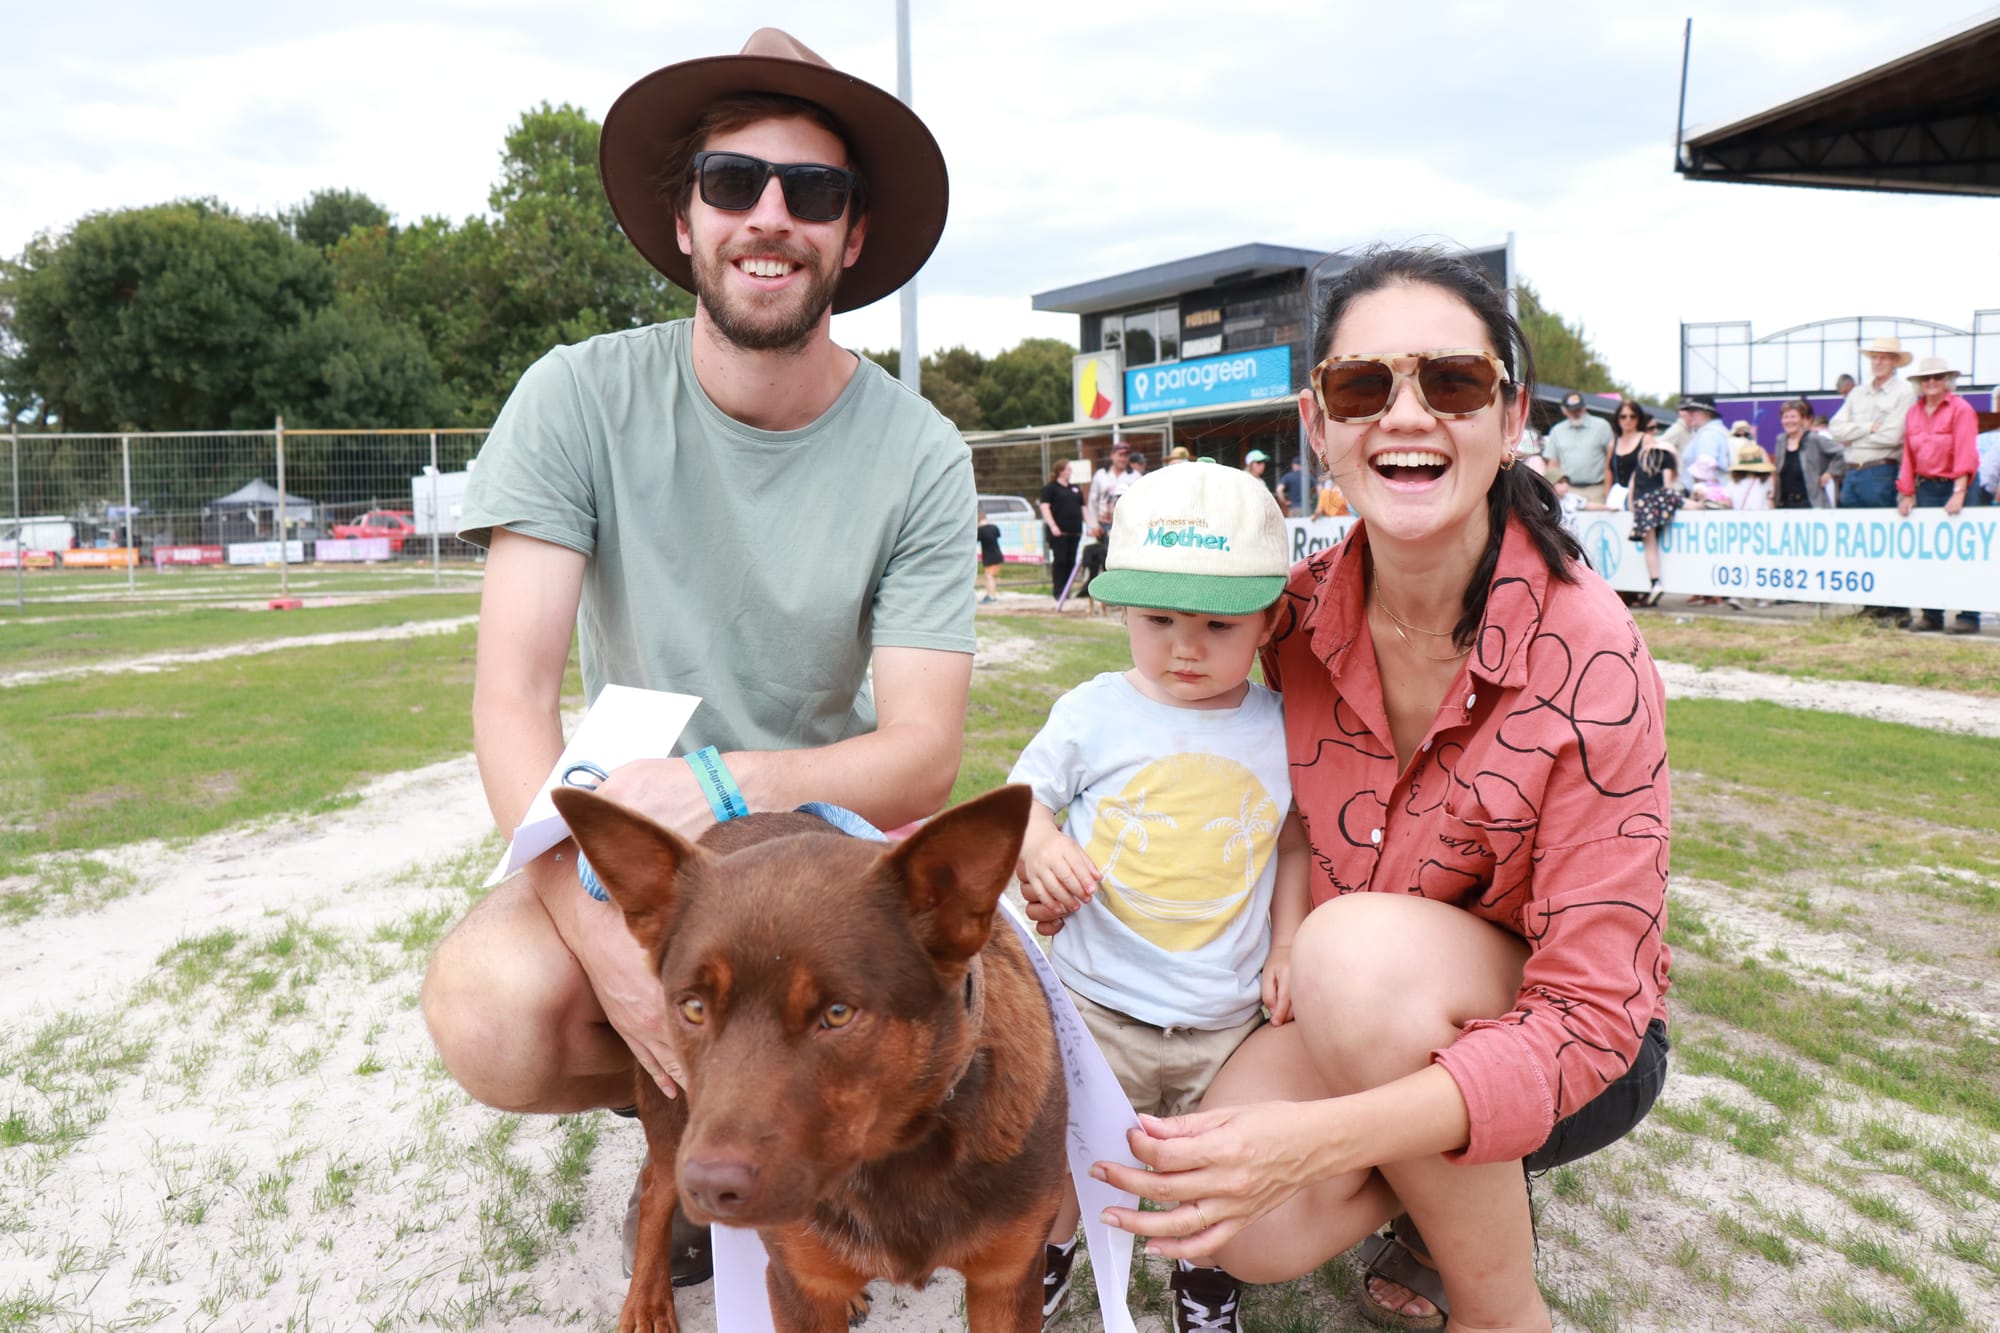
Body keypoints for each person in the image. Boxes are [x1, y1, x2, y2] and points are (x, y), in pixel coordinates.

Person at [422, 27, 974, 1288]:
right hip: (632, 846)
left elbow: (920, 751)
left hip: (806, 833)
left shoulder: (918, 453)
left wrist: (731, 786)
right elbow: (510, 695)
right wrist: (595, 926)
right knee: (489, 1008)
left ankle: (804, 1134)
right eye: (731, 182)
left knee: (887, 1000)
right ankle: (678, 1133)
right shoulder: (577, 396)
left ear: (853, 235)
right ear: (684, 219)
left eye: (812, 192)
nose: (767, 217)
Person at [1081, 249, 1671, 1333]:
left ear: (1509, 414)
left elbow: (1592, 1012)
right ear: (1319, 422)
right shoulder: (1288, 618)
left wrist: (1322, 1137)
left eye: (1449, 382)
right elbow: (1200, 759)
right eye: (1363, 387)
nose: (1405, 415)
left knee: (1348, 957)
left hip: (1572, 1047)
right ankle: (1445, 1194)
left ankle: (1503, 1308)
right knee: (1226, 1214)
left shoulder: (1591, 648)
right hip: (1355, 998)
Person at [1010, 462, 1310, 1333]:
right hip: (1096, 1004)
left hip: (1222, 1018)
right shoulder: (1095, 710)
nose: (1186, 646)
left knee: (1207, 1170)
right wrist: (1042, 843)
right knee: (1069, 1156)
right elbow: (1024, 800)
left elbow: (1293, 839)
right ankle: (1051, 1255)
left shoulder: (1278, 724)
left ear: (1269, 618)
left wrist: (1287, 946)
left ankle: (1204, 1283)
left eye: (1218, 624)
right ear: (1123, 611)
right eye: (1158, 619)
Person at [1831, 336, 1918, 626]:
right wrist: (1868, 427)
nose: (1878, 362)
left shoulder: (1905, 392)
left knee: (1885, 542)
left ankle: (1896, 608)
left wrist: (1854, 434)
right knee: (1859, 544)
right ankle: (1872, 605)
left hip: (1881, 470)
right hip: (1854, 472)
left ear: (1895, 361)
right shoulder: (1858, 392)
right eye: (1874, 357)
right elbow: (1835, 428)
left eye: (1884, 357)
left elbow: (1893, 435)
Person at [1896, 357, 1981, 634]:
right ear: (1919, 384)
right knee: (1929, 553)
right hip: (1927, 486)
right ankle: (1931, 614)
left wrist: (1959, 491)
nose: (1931, 383)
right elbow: (1908, 455)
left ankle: (1969, 616)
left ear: (1946, 380)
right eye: (1926, 378)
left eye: (1937, 377)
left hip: (1958, 483)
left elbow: (1965, 451)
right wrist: (1907, 493)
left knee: (1966, 552)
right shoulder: (1913, 413)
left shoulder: (1961, 410)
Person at [1772, 398, 1844, 509]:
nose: (1789, 421)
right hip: (1784, 505)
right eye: (1785, 417)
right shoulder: (1780, 441)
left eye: (1793, 417)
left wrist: (1830, 473)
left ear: (1802, 419)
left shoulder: (1813, 439)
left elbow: (1842, 453)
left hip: (1809, 503)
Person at [1543, 390, 1611, 502]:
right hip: (1569, 489)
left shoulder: (1602, 426)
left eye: (1578, 409)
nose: (1576, 413)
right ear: (1564, 410)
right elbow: (1553, 464)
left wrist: (1608, 490)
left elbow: (1611, 461)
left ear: (1584, 407)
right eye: (1572, 410)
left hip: (1597, 489)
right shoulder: (1557, 430)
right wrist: (1551, 490)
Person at [1041, 459, 1085, 601]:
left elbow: (1083, 508)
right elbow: (1044, 507)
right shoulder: (1050, 488)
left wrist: (1091, 525)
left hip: (1075, 531)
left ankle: (1067, 590)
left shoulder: (1075, 488)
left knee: (1071, 562)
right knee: (1060, 561)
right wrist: (1053, 526)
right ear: (1061, 471)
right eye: (1068, 469)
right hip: (1059, 532)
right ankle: (1058, 590)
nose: (1070, 472)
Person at [1676, 394, 1733, 484]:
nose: (1689, 415)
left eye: (1692, 412)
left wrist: (1699, 492)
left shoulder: (1709, 434)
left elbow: (1705, 467)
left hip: (1708, 494)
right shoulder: (1718, 431)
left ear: (1706, 413)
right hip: (1718, 491)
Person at [1724, 438, 1773, 510]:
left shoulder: (1731, 484)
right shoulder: (1765, 482)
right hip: (1762, 520)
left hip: (1739, 520)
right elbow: (1770, 502)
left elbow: (1727, 505)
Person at [976, 504, 1004, 604]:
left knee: (989, 577)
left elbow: (976, 541)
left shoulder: (980, 531)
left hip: (989, 556)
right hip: (997, 554)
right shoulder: (994, 527)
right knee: (989, 576)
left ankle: (992, 597)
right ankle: (990, 594)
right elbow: (998, 536)